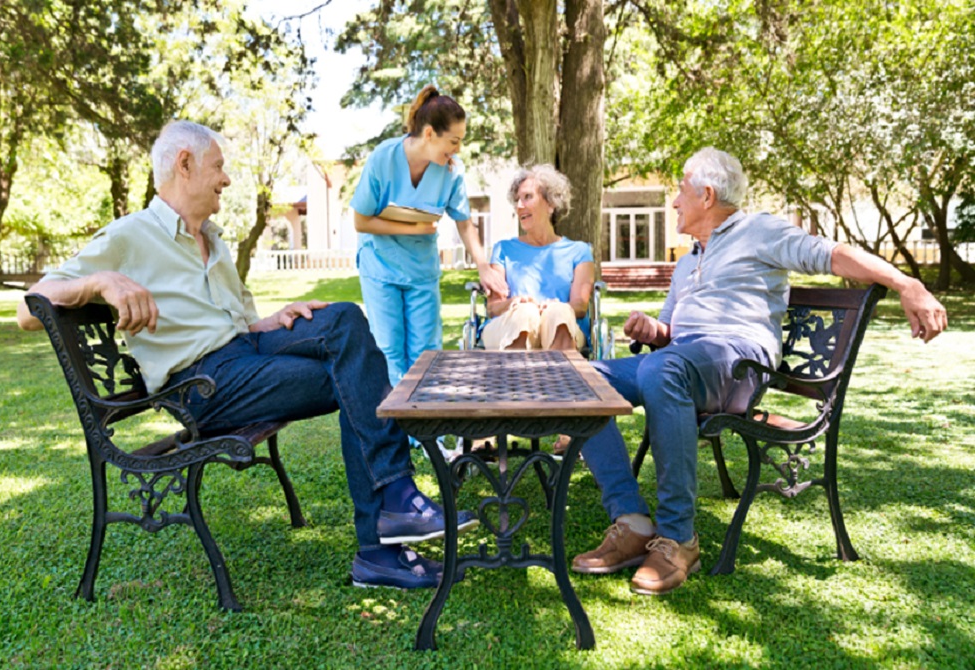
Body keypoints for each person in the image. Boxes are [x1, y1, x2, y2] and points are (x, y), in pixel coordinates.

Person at [16, 120, 479, 591]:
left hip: (244, 351)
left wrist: (273, 320)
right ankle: (385, 533)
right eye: (218, 167)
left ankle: (392, 511)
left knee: (343, 320)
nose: (226, 179)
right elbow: (27, 308)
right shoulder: (130, 235)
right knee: (357, 380)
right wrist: (102, 282)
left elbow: (233, 322)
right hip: (203, 385)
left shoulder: (211, 237)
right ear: (185, 164)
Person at [570, 147, 948, 595]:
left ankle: (677, 537)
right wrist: (653, 328)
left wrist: (908, 283)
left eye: (678, 191)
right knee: (581, 377)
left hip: (738, 361)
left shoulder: (758, 231)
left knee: (663, 372)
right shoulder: (689, 258)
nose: (673, 201)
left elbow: (833, 254)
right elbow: (672, 333)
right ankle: (631, 521)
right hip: (683, 359)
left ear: (706, 195)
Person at [350, 85, 508, 389]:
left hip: (421, 270)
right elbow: (360, 220)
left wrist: (483, 266)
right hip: (380, 267)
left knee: (426, 353)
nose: (457, 149)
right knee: (389, 351)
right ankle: (397, 433)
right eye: (453, 141)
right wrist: (413, 228)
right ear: (429, 134)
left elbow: (464, 223)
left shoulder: (451, 170)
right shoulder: (384, 158)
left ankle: (424, 431)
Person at [480, 164, 594, 353]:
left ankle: (561, 380)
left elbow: (580, 306)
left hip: (561, 324)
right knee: (525, 314)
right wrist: (513, 303)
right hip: (509, 325)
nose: (519, 206)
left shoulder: (579, 251)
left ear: (551, 204)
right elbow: (493, 307)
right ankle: (516, 381)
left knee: (558, 313)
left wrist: (556, 307)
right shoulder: (504, 250)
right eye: (517, 200)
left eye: (527, 197)